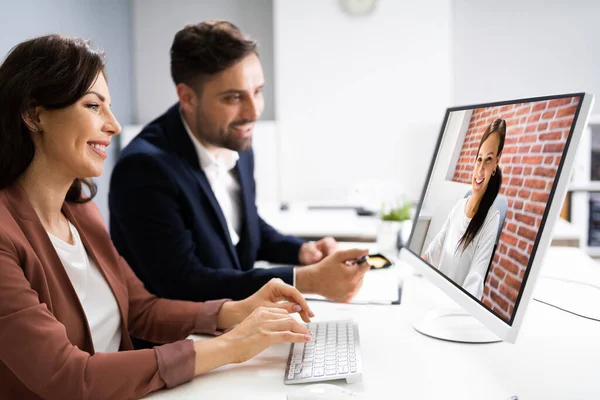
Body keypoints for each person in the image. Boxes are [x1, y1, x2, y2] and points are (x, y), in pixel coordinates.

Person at [0, 34, 349, 399]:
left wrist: (236, 311)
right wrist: (231, 347)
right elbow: (69, 377)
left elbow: (141, 310)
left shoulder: (80, 210)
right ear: (34, 115)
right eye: (93, 106)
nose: (114, 125)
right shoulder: (6, 236)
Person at [109, 21, 370, 304]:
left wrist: (301, 251)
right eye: (234, 97)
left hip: (235, 323)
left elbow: (242, 225)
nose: (253, 111)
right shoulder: (143, 170)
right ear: (187, 98)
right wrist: (305, 280)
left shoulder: (235, 138)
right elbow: (182, 283)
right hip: (183, 341)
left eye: (257, 91)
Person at [422, 118, 506, 299]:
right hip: (433, 293)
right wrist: (420, 265)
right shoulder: (460, 205)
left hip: (453, 307)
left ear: (496, 163)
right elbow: (436, 246)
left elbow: (475, 279)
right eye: (479, 159)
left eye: (489, 160)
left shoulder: (492, 218)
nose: (480, 169)